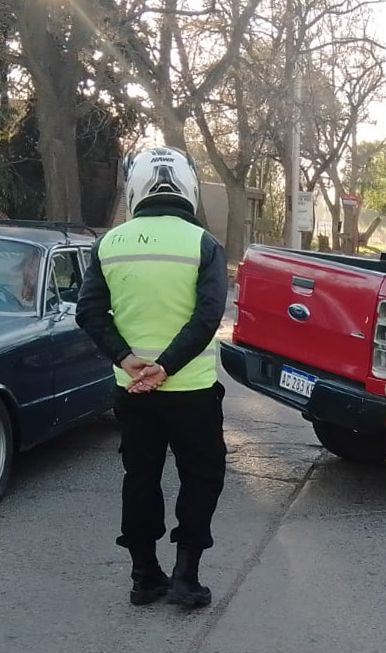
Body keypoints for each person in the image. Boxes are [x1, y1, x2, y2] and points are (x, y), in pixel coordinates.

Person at [77, 146, 229, 607]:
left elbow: (89, 311)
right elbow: (208, 317)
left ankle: (144, 575)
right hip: (192, 391)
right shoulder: (204, 244)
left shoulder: (109, 244)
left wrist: (127, 360)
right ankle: (186, 576)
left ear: (136, 188)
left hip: (133, 391)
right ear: (189, 187)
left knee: (140, 477)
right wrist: (168, 366)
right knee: (200, 476)